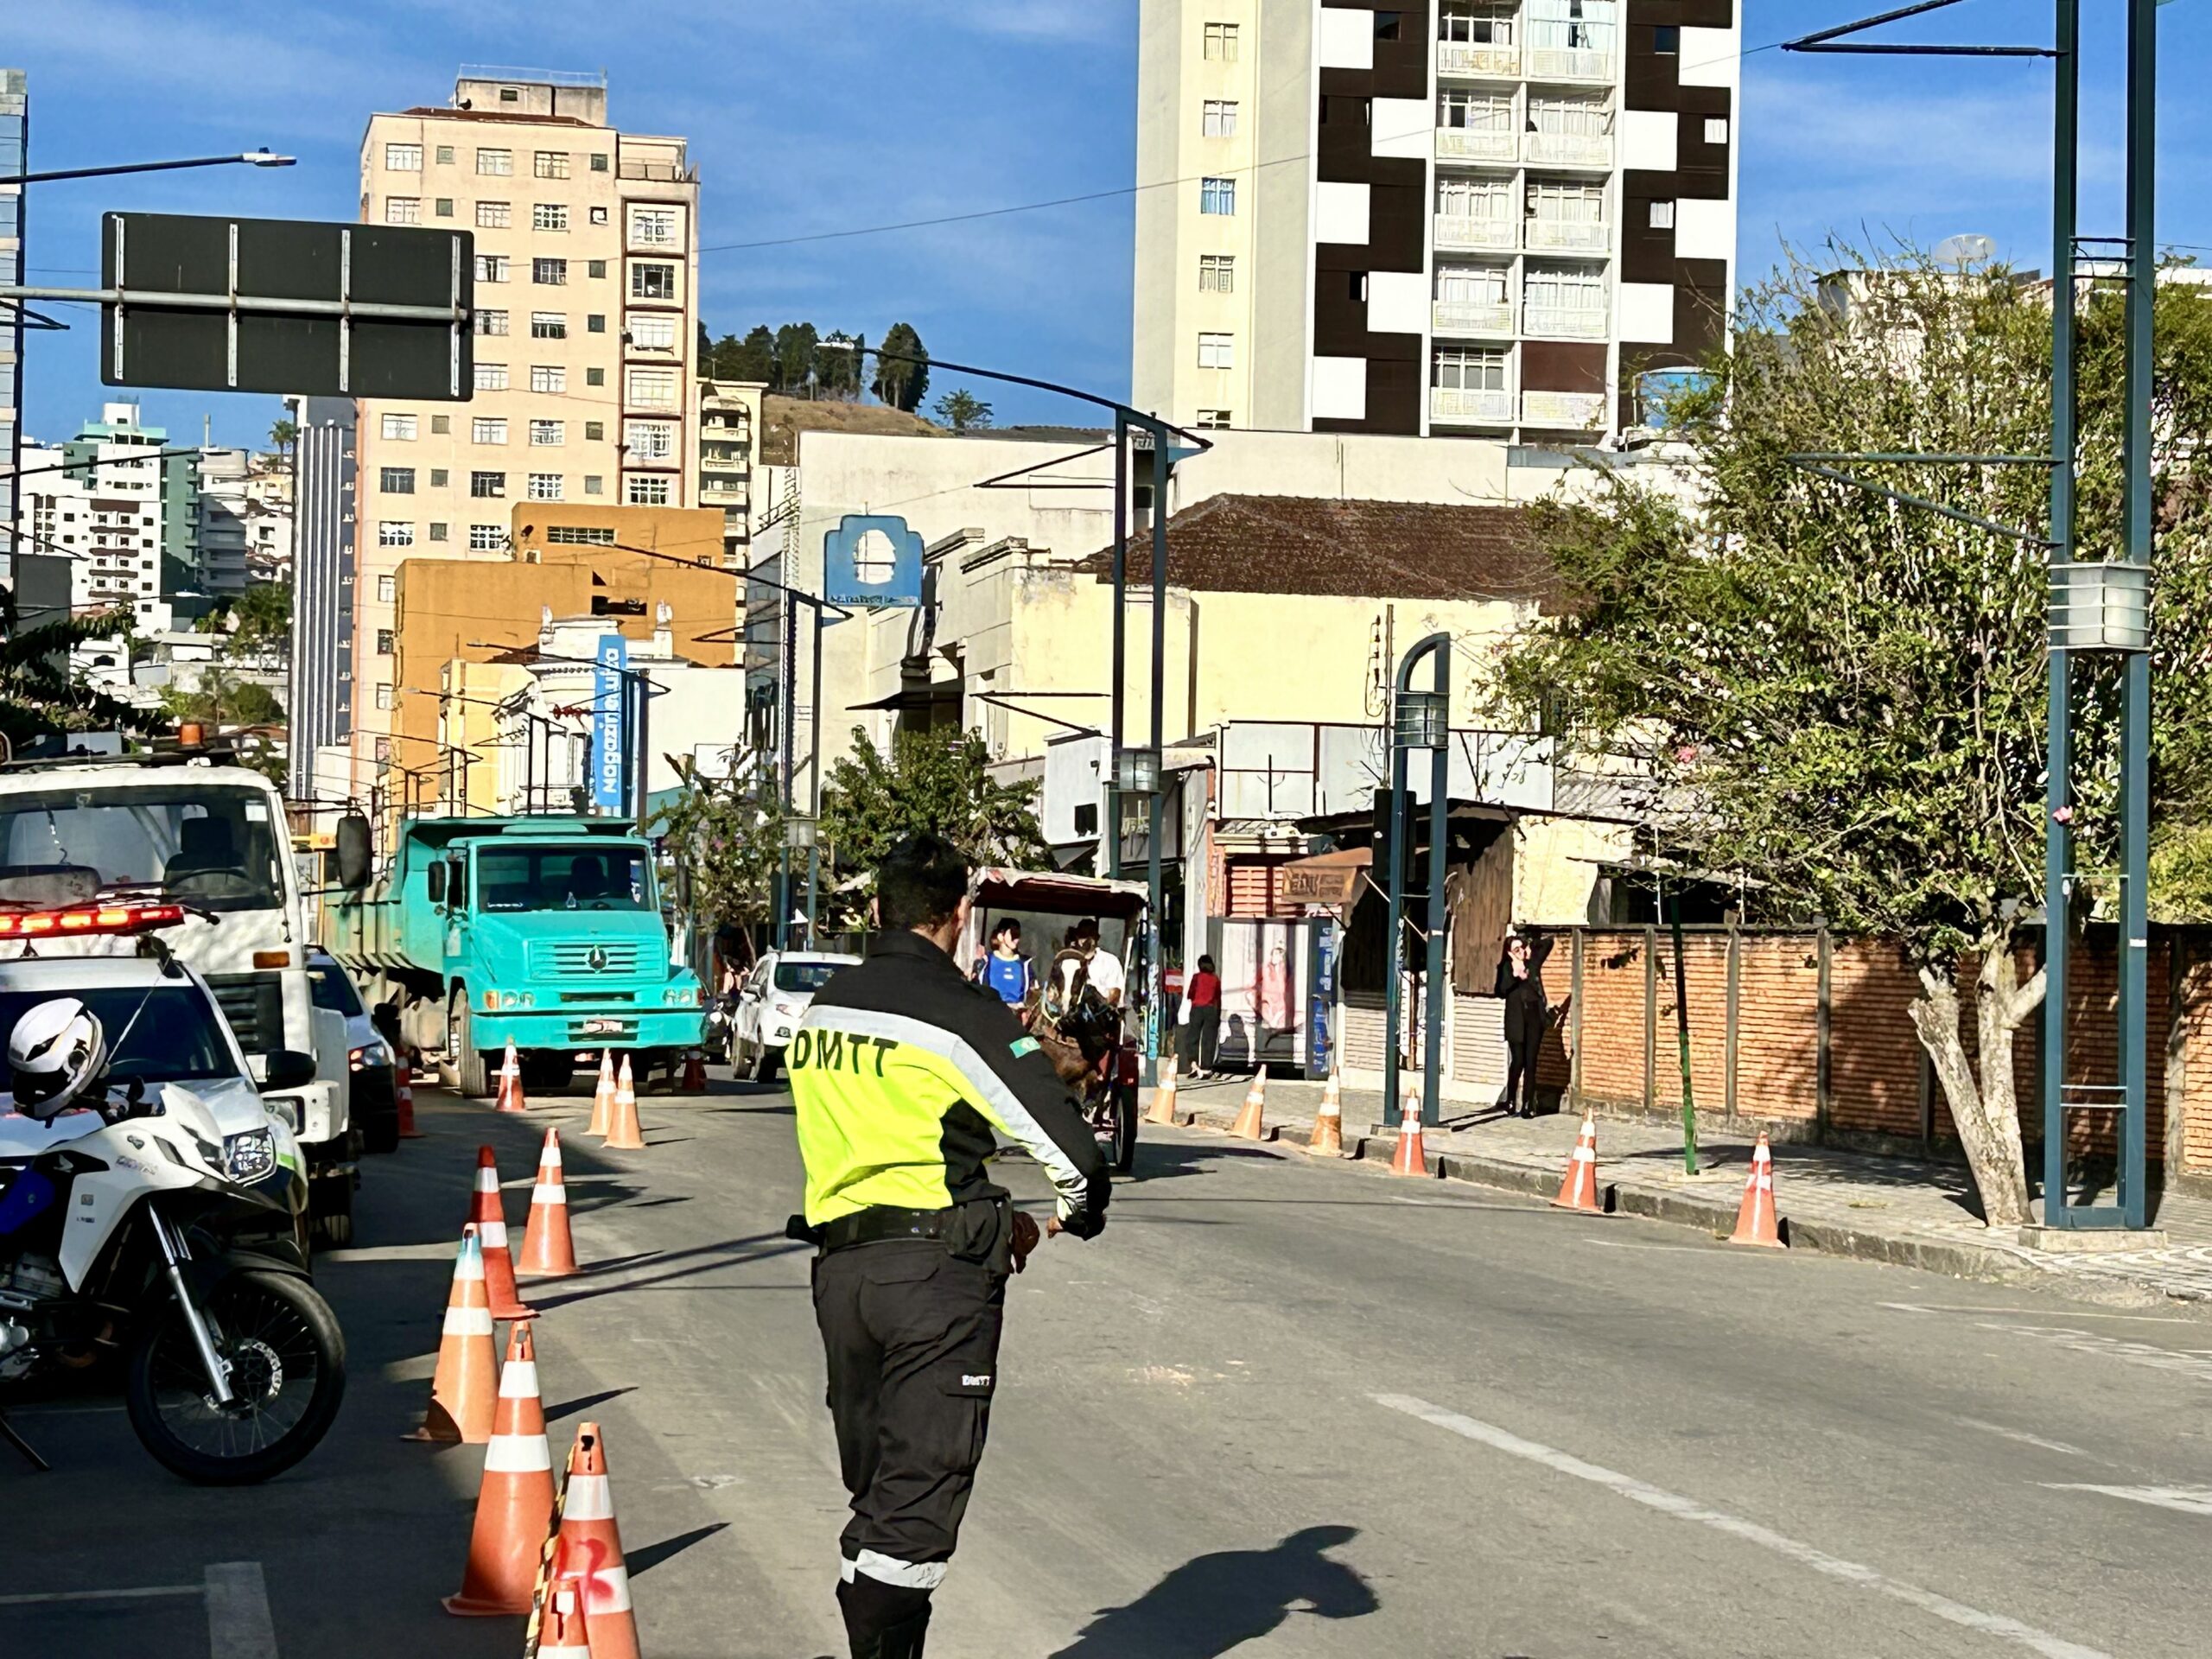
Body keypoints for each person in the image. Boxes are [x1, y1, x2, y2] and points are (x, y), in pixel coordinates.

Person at [787, 834, 1109, 1659]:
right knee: (918, 1502)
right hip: (936, 1278)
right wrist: (1068, 1215)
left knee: (883, 1491)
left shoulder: (824, 1010)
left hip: (841, 1277)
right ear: (959, 915)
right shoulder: (958, 1014)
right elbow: (1071, 1155)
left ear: (874, 909)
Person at [1495, 929, 1554, 1118]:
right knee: (1518, 1060)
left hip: (1534, 1019)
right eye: (1516, 949)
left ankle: (1528, 1105)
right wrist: (1515, 975)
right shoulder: (1505, 968)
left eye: (1521, 948)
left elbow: (1548, 943)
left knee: (1531, 1062)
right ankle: (1511, 1100)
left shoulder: (1532, 964)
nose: (1520, 951)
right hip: (1516, 1021)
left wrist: (1530, 945)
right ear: (1509, 952)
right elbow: (1500, 990)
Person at [972, 918, 1033, 1008]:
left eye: (1018, 934)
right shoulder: (986, 961)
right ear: (1001, 936)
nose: (1016, 939)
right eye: (1013, 933)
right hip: (991, 1011)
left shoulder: (1024, 964)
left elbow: (1032, 993)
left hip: (1016, 1014)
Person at [1180, 953, 1222, 1077]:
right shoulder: (1215, 979)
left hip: (1197, 1009)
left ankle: (1193, 1064)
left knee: (1193, 1037)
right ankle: (1206, 1067)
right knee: (1209, 1039)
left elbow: (1190, 994)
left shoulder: (1196, 977)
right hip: (1211, 1010)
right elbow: (1218, 997)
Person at [1069, 917, 1125, 1008]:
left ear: (1095, 939)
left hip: (1101, 1016)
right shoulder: (1069, 962)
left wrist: (1093, 991)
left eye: (1089, 936)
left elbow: (1114, 997)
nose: (1084, 941)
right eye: (1082, 936)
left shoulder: (1110, 962)